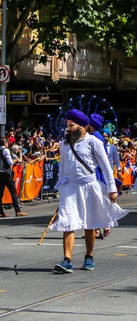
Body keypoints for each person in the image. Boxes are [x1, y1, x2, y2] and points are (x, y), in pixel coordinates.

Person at [51, 109, 128, 273]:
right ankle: (67, 260)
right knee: (67, 222)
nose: (68, 129)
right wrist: (60, 187)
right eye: (67, 125)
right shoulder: (64, 144)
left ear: (82, 126)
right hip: (70, 187)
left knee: (89, 224)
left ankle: (89, 257)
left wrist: (112, 190)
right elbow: (63, 167)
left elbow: (106, 167)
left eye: (71, 125)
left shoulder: (94, 142)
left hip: (89, 186)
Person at [0, 138, 27, 218]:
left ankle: (0, 212)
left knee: (0, 193)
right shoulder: (6, 150)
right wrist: (15, 161)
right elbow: (10, 162)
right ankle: (17, 211)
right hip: (6, 173)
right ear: (5, 143)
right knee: (13, 192)